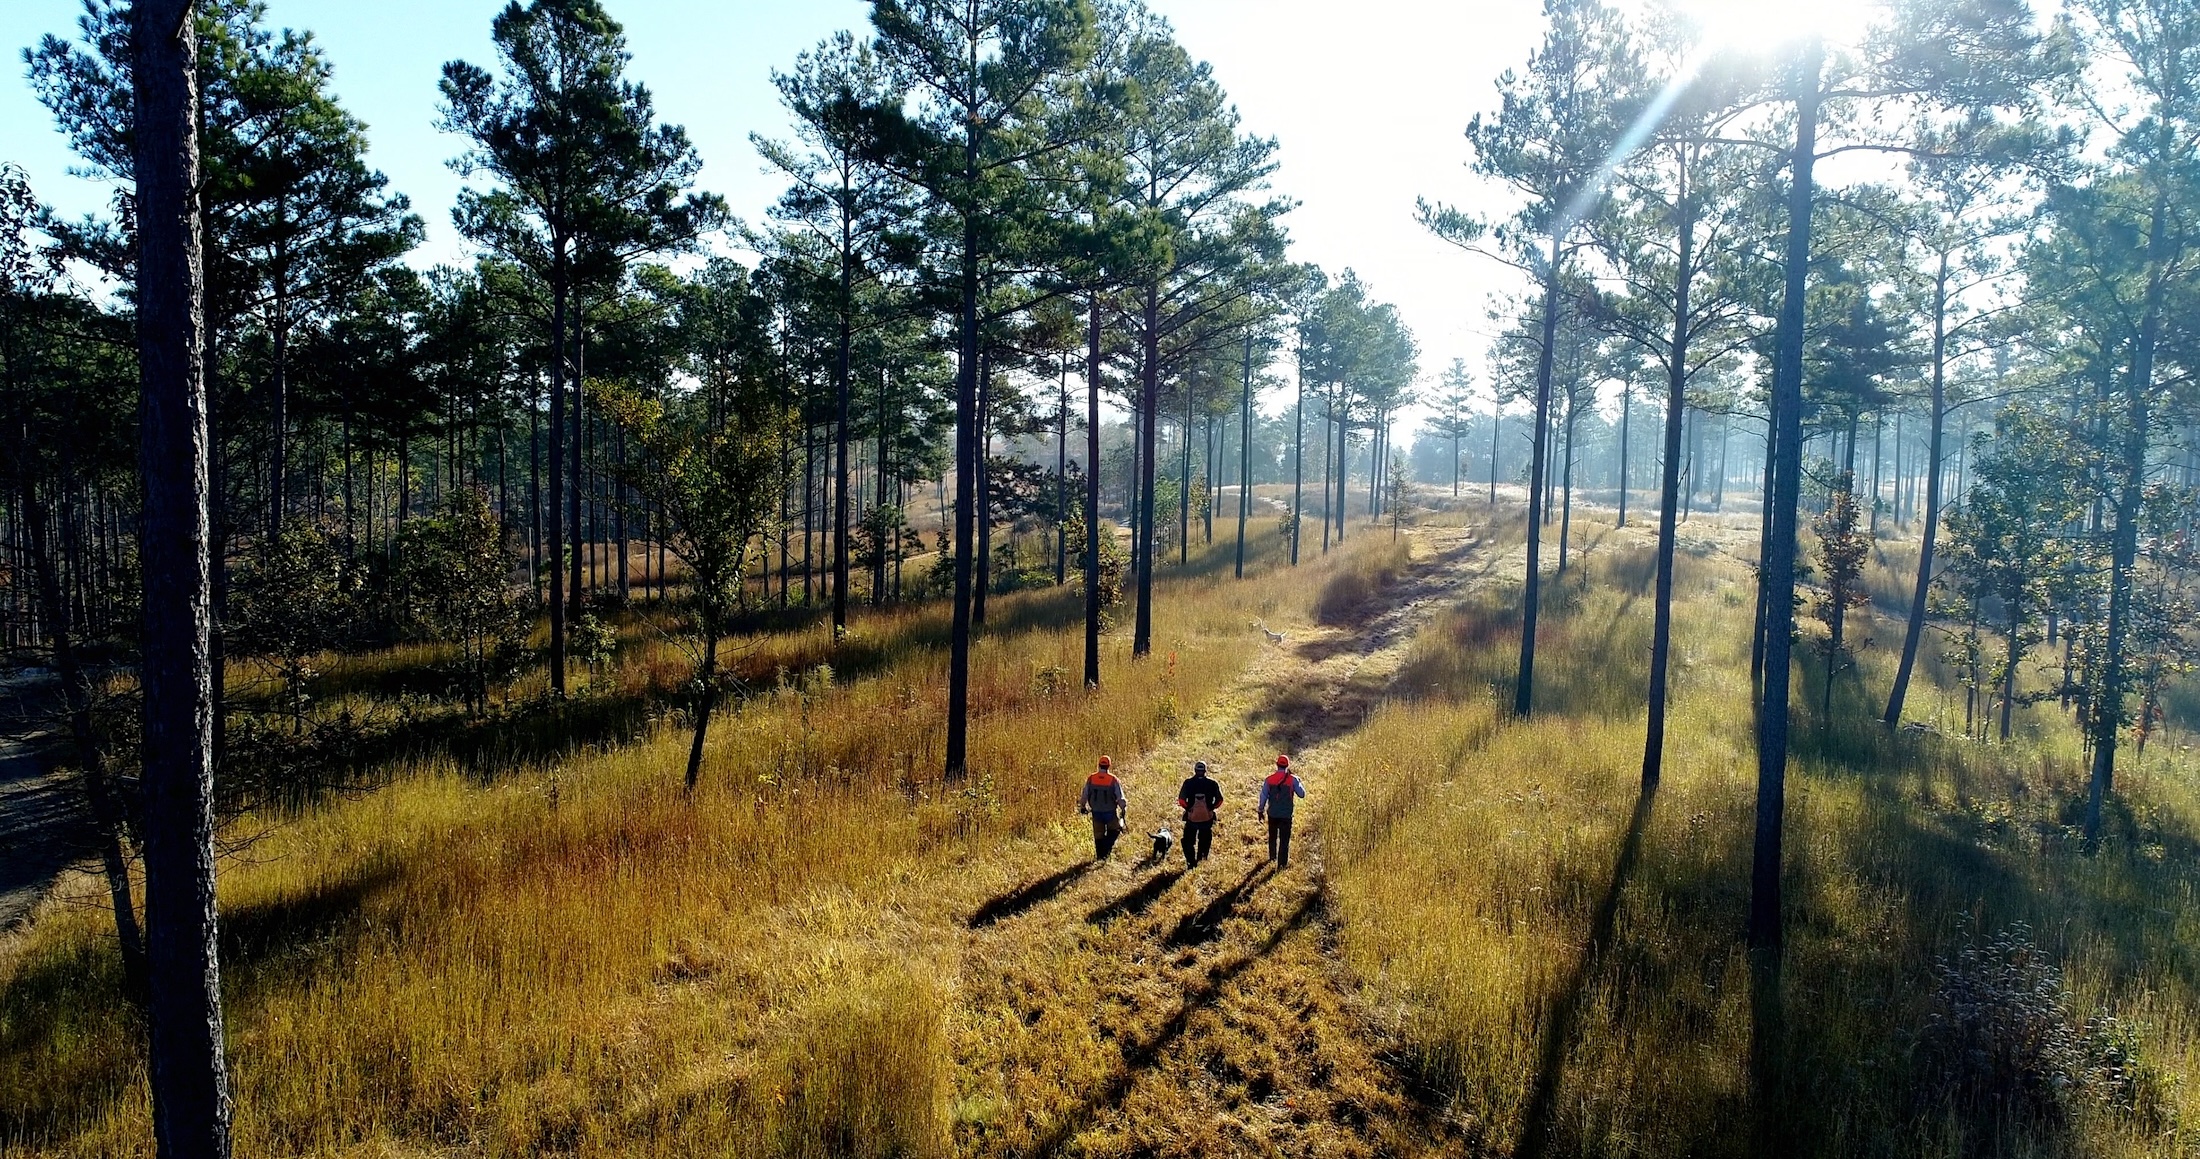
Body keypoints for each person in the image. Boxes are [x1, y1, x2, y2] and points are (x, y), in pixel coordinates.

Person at [1257, 754, 1306, 868]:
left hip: (1272, 814)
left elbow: (1263, 796)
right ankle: (1282, 864)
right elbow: (1302, 794)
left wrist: (1260, 810)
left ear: (1277, 765)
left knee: (1272, 836)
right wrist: (1298, 782)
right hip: (1286, 815)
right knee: (1284, 840)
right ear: (1287, 766)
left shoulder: (1269, 780)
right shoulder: (1293, 780)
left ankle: (1272, 857)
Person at [1176, 760, 1224, 868]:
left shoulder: (1188, 783)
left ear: (1195, 770)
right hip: (1207, 819)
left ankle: (1191, 862)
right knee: (1205, 839)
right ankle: (1201, 860)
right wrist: (1211, 808)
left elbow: (1181, 800)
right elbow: (1220, 800)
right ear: (1205, 771)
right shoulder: (1212, 783)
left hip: (1191, 819)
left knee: (1188, 841)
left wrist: (1188, 809)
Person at [1078, 755, 1128, 860]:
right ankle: (1106, 850)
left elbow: (1084, 795)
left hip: (1096, 812)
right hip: (1110, 812)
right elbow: (1120, 797)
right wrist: (1123, 808)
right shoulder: (1113, 780)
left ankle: (1100, 856)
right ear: (1109, 766)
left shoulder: (1091, 778)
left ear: (1099, 765)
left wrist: (1082, 806)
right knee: (1115, 830)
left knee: (1098, 835)